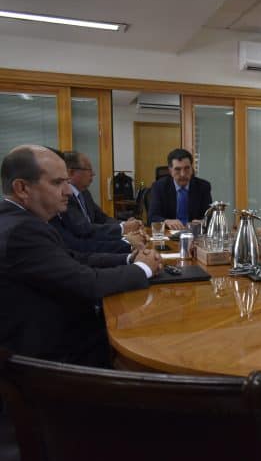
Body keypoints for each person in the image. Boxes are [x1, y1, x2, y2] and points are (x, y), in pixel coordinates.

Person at [0, 145, 163, 367]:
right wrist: (143, 269)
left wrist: (129, 259)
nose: (68, 191)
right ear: (22, 188)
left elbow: (74, 258)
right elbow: (87, 283)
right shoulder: (21, 231)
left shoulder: (20, 220)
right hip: (51, 360)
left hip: (57, 337)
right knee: (148, 338)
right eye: (58, 182)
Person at [62, 151, 142, 239]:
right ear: (71, 173)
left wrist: (124, 224)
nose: (93, 174)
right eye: (89, 169)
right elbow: (82, 228)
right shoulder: (64, 197)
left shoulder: (85, 193)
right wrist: (123, 228)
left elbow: (102, 218)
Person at [148, 148, 212, 230]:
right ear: (170, 171)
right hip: (169, 234)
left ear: (192, 169)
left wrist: (203, 221)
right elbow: (152, 217)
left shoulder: (203, 186)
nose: (183, 174)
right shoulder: (159, 187)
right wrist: (166, 221)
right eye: (177, 169)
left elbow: (210, 217)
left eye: (187, 168)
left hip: (194, 233)